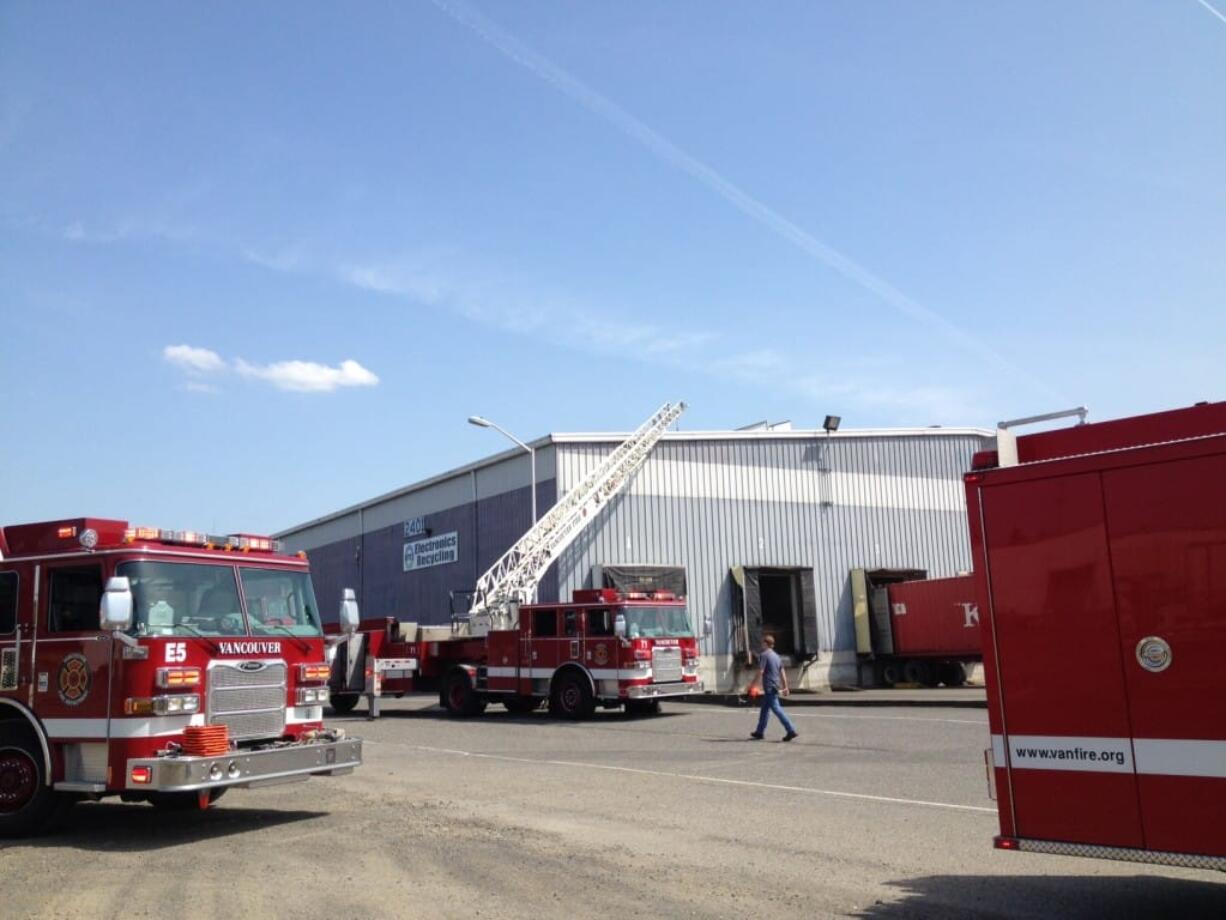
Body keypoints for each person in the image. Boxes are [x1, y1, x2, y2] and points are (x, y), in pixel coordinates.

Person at [748, 635, 798, 742]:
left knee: (776, 709)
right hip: (775, 685)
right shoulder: (776, 656)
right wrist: (786, 687)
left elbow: (761, 671)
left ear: (766, 643)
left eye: (763, 643)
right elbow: (782, 672)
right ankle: (759, 731)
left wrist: (752, 685)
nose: (762, 645)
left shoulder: (764, 655)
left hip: (769, 687)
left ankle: (791, 730)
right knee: (764, 710)